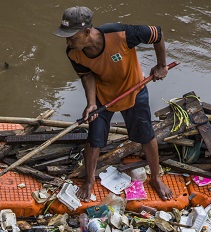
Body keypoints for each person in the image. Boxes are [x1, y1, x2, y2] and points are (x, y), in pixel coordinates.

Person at [54, 6, 173, 201]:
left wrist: (161, 65)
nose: (68, 41)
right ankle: (90, 180)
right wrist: (91, 103)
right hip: (103, 94)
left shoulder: (120, 34)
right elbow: (87, 76)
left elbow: (157, 33)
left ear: (86, 32)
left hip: (134, 89)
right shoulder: (73, 52)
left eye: (71, 36)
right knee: (95, 138)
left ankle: (156, 178)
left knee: (146, 135)